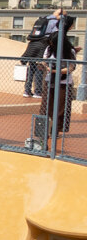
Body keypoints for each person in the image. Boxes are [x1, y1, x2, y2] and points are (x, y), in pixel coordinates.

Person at [39, 15, 77, 151]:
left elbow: (71, 68)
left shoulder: (70, 51)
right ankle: (44, 133)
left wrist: (55, 70)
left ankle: (56, 133)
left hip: (63, 83)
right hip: (50, 82)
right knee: (46, 107)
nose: (50, 45)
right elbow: (43, 61)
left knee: (61, 109)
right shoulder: (49, 50)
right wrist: (47, 67)